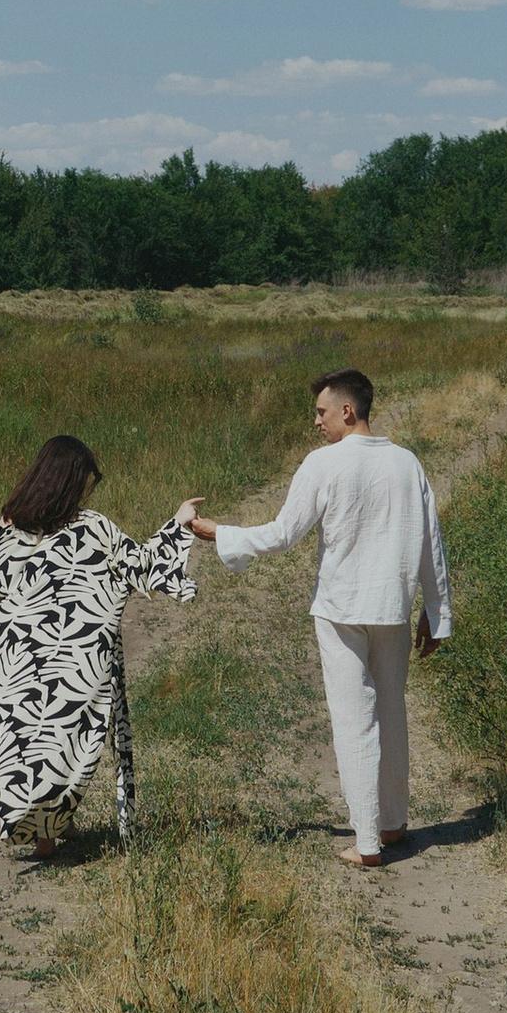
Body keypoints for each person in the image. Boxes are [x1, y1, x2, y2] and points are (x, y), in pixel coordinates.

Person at [188, 369, 450, 866]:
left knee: (354, 720)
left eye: (321, 412)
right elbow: (430, 543)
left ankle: (367, 842)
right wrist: (436, 613)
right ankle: (393, 824)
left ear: (347, 411)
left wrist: (221, 533)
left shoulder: (323, 463)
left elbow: (283, 533)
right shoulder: (407, 462)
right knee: (391, 714)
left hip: (340, 608)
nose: (316, 422)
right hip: (393, 607)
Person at [0, 436, 201, 861]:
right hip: (74, 661)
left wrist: (4, 635)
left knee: (21, 741)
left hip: (15, 660)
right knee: (62, 743)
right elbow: (142, 564)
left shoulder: (11, 524)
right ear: (72, 482)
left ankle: (46, 828)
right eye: (87, 482)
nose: (88, 492)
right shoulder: (93, 528)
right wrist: (179, 521)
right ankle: (47, 832)